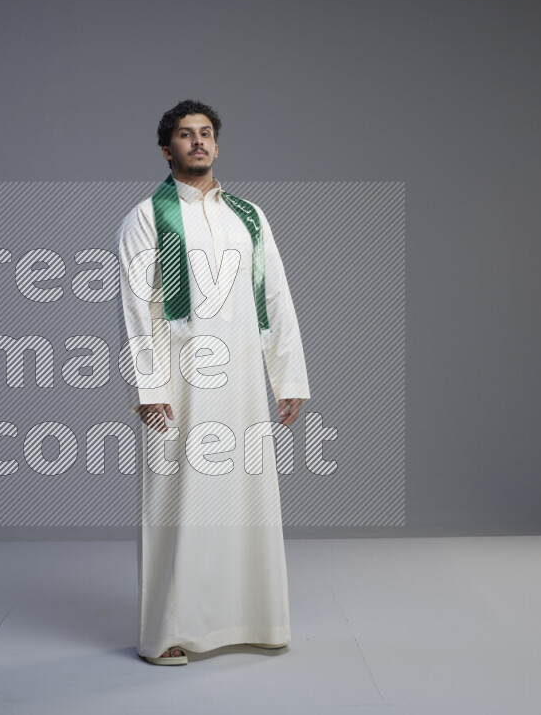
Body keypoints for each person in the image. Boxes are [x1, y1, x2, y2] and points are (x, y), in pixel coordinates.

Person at [115, 100, 311, 665]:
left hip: (245, 380)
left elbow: (274, 295)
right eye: (184, 135)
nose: (197, 142)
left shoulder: (248, 217)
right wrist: (149, 386)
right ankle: (170, 633)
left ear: (217, 146)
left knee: (247, 498)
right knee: (176, 503)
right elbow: (135, 306)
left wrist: (286, 375)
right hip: (180, 382)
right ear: (166, 149)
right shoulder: (147, 218)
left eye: (205, 134)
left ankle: (257, 620)